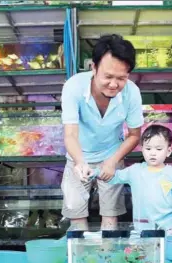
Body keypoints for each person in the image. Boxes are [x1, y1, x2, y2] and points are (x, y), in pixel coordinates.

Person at [60, 34, 144, 230]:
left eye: (121, 78)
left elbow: (134, 135)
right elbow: (70, 134)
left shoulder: (132, 92)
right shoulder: (73, 87)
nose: (114, 84)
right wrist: (80, 162)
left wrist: (113, 161)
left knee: (110, 215)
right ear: (94, 67)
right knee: (77, 216)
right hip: (78, 157)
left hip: (112, 156)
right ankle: (80, 259)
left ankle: (107, 259)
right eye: (108, 76)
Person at [105, 124, 172, 236]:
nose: (152, 153)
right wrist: (95, 173)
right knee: (142, 253)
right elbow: (114, 177)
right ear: (142, 149)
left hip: (168, 227)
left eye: (158, 149)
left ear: (168, 151)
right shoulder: (135, 171)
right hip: (142, 227)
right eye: (148, 148)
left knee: (167, 253)